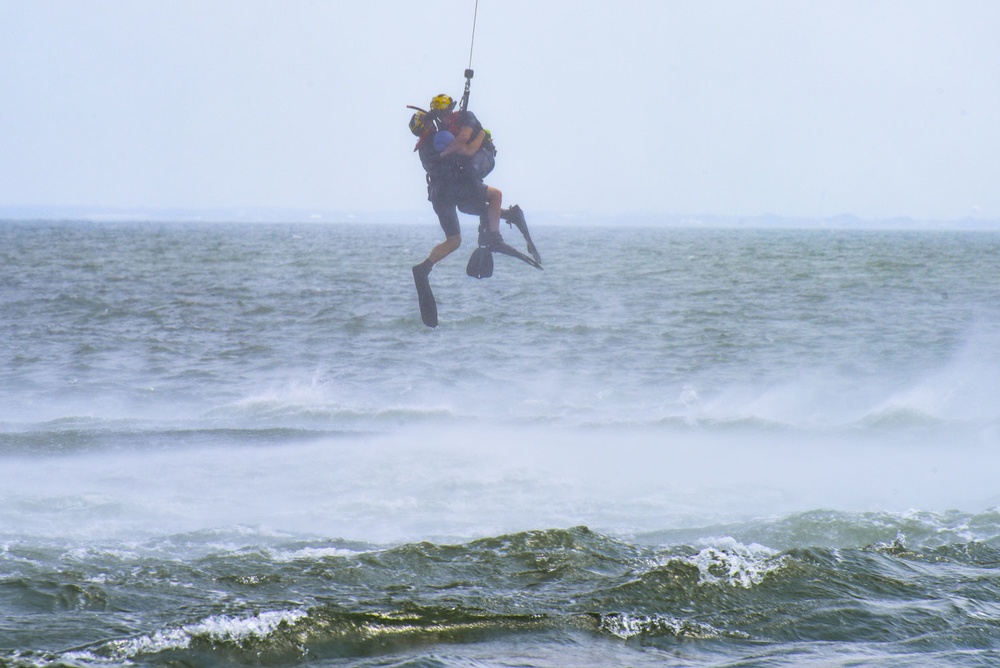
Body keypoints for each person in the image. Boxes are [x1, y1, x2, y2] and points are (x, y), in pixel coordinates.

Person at [409, 94, 509, 280]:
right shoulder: (441, 139)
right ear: (427, 126)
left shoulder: (423, 149)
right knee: (494, 195)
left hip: (438, 196)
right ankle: (494, 236)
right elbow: (466, 149)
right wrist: (481, 134)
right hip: (456, 187)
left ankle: (425, 267)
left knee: (453, 240)